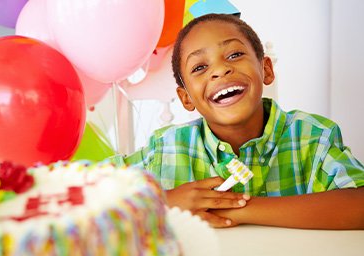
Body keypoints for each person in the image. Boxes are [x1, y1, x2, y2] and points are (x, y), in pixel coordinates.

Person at [110, 13, 364, 229]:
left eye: (234, 55)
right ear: (186, 98)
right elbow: (78, 191)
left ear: (266, 69)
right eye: (199, 67)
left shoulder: (312, 137)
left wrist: (232, 208)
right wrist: (162, 202)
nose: (220, 70)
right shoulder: (166, 149)